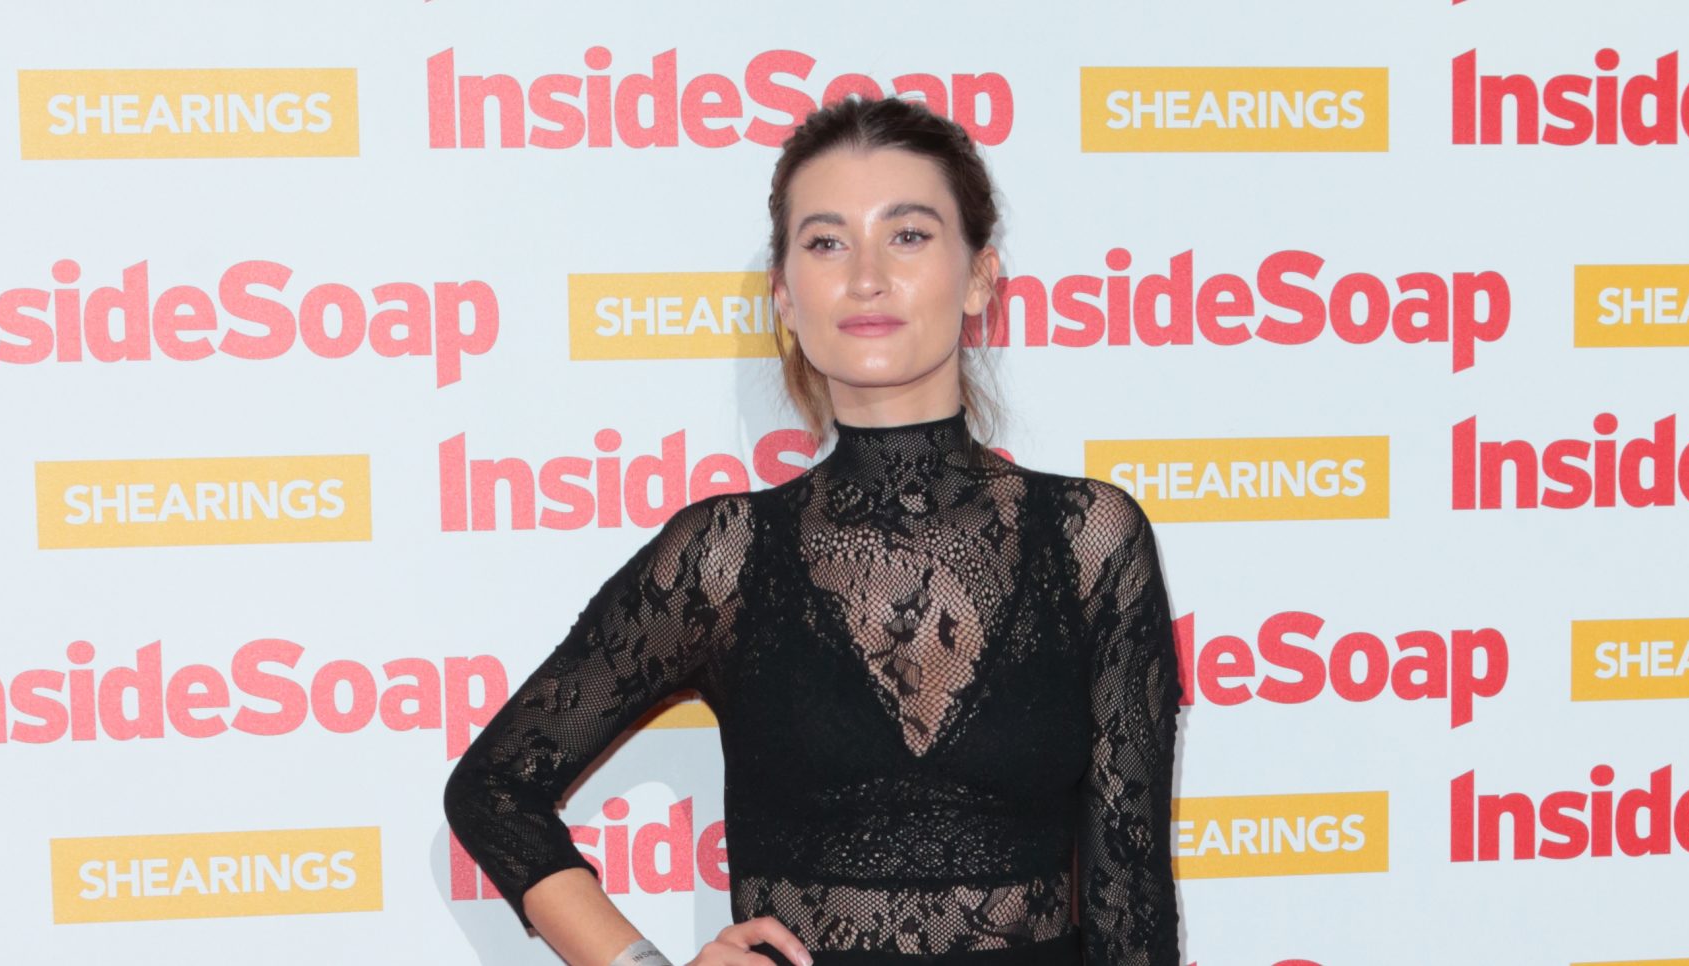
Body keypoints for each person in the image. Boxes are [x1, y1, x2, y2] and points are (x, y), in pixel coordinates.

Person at [443, 94, 1184, 966]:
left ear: (980, 276)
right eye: (827, 243)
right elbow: (494, 788)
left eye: (908, 235)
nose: (866, 276)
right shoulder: (727, 556)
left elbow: (1131, 902)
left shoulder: (1090, 541)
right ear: (785, 296)